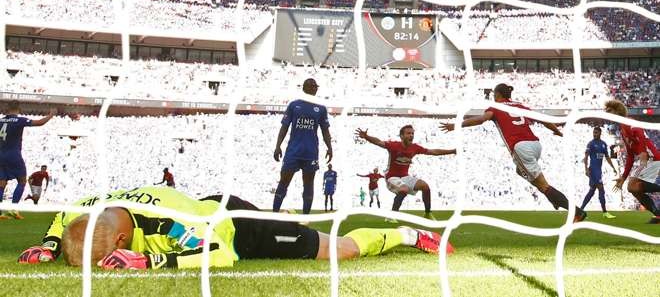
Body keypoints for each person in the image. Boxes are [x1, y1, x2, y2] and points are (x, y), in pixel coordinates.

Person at [17, 186, 453, 269]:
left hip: (235, 227)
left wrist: (150, 261)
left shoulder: (170, 223)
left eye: (109, 257)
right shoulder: (88, 209)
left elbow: (222, 255)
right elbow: (63, 215)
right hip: (208, 203)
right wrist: (51, 243)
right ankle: (290, 220)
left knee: (338, 250)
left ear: (120, 239)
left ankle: (407, 233)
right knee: (298, 225)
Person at [441, 83, 587, 222]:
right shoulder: (520, 106)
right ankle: (553, 197)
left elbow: (481, 119)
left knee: (544, 185)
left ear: (498, 94)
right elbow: (542, 119)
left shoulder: (496, 107)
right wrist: (557, 131)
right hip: (536, 145)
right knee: (520, 171)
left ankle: (575, 211)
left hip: (520, 147)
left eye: (493, 94)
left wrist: (456, 125)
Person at [355, 125, 456, 221]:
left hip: (404, 176)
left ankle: (428, 214)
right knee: (404, 189)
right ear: (401, 136)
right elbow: (379, 142)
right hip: (392, 177)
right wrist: (367, 137)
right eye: (408, 133)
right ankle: (391, 216)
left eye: (412, 133)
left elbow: (433, 152)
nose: (411, 135)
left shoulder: (415, 147)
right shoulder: (394, 145)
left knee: (425, 186)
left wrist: (452, 151)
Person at [273, 78, 332, 214]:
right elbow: (284, 127)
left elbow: (325, 130)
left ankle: (305, 218)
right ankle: (274, 215)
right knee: (284, 182)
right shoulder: (294, 105)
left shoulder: (321, 109)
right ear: (304, 88)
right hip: (293, 151)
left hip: (310, 152)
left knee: (308, 184)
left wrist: (330, 147)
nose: (314, 88)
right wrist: (278, 146)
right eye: (311, 86)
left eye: (315, 86)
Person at [605, 100, 660, 224]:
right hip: (648, 158)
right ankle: (658, 214)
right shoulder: (622, 129)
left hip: (652, 158)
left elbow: (640, 134)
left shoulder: (630, 123)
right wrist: (623, 177)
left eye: (609, 111)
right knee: (632, 188)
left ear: (617, 111)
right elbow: (630, 156)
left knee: (633, 187)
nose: (607, 114)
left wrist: (642, 154)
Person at [0, 102, 56, 220]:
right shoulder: (19, 120)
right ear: (18, 109)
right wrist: (51, 115)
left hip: (1, 155)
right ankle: (13, 210)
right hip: (13, 155)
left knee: (1, 183)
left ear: (7, 109)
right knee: (21, 181)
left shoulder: (1, 121)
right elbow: (39, 123)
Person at [580, 127, 617, 218]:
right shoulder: (591, 144)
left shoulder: (603, 144)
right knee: (601, 189)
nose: (594, 134)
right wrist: (586, 169)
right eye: (594, 132)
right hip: (593, 170)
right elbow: (586, 157)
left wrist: (613, 168)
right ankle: (605, 212)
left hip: (598, 171)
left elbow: (607, 157)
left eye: (596, 132)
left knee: (591, 191)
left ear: (600, 133)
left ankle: (580, 210)